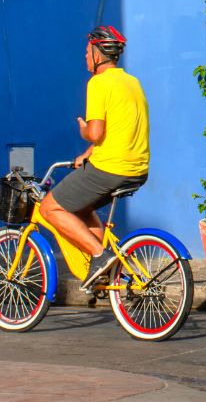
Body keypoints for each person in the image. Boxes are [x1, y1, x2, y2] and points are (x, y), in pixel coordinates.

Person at [38, 26, 150, 289]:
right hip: (138, 167)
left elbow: (96, 131)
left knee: (48, 208)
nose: (85, 57)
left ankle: (100, 256)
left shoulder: (98, 83)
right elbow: (119, 128)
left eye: (87, 52)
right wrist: (88, 154)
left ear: (98, 54)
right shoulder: (132, 82)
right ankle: (102, 269)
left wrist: (84, 130)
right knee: (82, 206)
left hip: (111, 167)